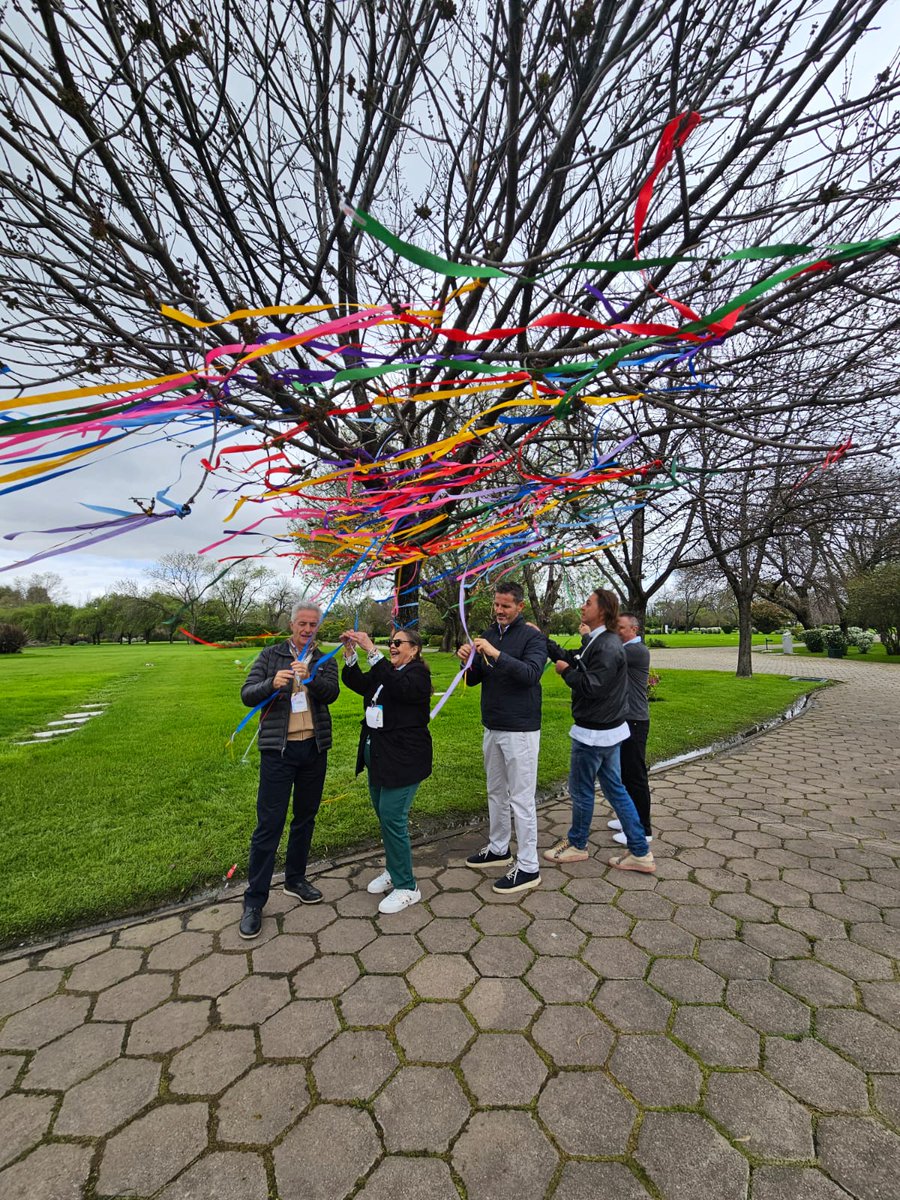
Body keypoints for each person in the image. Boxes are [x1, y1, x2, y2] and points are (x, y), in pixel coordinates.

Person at [238, 604, 340, 939]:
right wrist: (272, 683)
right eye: (302, 624)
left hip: (313, 748)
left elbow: (332, 694)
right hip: (278, 753)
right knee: (269, 824)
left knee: (305, 818)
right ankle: (255, 900)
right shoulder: (271, 655)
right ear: (291, 624)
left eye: (313, 624)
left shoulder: (324, 658)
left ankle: (295, 879)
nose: (308, 629)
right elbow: (247, 695)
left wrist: (309, 680)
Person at [543, 588, 655, 873]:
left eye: (588, 603)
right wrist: (543, 641)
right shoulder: (599, 640)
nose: (582, 606)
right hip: (607, 731)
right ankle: (640, 851)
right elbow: (573, 657)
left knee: (581, 791)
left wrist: (565, 672)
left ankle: (577, 844)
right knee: (616, 789)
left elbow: (592, 686)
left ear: (602, 610)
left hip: (594, 733)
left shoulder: (606, 645)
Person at [456, 582, 548, 894]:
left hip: (520, 729)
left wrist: (495, 653)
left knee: (521, 798)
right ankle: (498, 848)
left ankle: (528, 866)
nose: (499, 610)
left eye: (505, 606)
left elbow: (531, 674)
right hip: (492, 725)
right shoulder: (490, 633)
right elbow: (474, 679)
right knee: (496, 791)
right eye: (496, 604)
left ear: (520, 606)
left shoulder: (533, 637)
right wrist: (466, 659)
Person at [341, 627, 433, 914]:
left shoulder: (416, 674)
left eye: (397, 643)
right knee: (385, 817)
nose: (392, 646)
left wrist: (372, 650)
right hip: (379, 756)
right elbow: (360, 683)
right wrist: (350, 654)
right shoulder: (387, 673)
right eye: (389, 643)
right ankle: (394, 871)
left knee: (393, 817)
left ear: (414, 649)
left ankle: (407, 886)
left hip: (403, 760)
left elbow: (399, 688)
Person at [608, 612, 653, 847]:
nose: (617, 631)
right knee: (624, 773)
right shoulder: (627, 649)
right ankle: (629, 818)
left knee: (635, 776)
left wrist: (588, 636)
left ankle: (642, 830)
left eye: (622, 628)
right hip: (625, 719)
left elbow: (605, 655)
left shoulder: (635, 651)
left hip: (634, 721)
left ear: (634, 630)